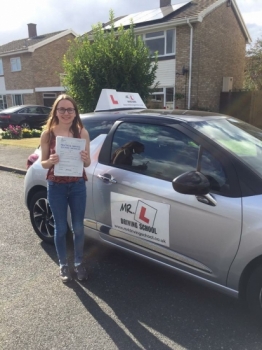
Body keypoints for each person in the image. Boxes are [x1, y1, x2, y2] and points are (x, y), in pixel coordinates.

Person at [40, 94, 91, 283]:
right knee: (61, 228)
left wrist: (86, 158)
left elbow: (87, 163)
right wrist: (50, 161)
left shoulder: (81, 133)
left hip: (77, 185)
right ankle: (63, 265)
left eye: (70, 109)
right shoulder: (48, 134)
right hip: (56, 187)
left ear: (75, 112)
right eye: (62, 109)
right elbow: (43, 164)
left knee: (78, 227)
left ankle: (78, 263)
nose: (66, 113)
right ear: (55, 111)